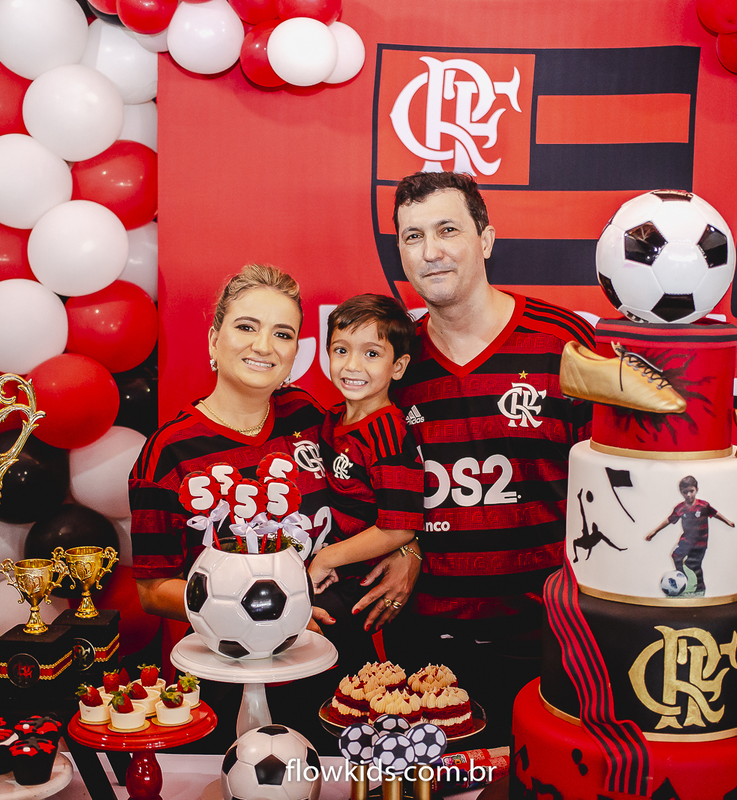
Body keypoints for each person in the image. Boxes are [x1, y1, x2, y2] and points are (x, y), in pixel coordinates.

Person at [368, 170, 601, 746]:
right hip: (426, 649)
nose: (431, 251)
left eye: (447, 230)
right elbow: (373, 494)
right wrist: (409, 545)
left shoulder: (563, 342)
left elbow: (615, 492)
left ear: (487, 240)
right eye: (413, 236)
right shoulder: (393, 362)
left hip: (550, 641)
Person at [128, 264, 333, 749]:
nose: (264, 346)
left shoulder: (310, 417)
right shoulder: (168, 452)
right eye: (246, 327)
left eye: (282, 334)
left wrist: (406, 549)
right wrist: (268, 613)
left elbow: (368, 502)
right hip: (221, 678)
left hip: (320, 668)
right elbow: (151, 589)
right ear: (213, 340)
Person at [308, 293, 424, 675]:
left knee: (357, 682)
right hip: (338, 574)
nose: (352, 365)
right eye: (341, 350)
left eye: (371, 353)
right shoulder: (331, 419)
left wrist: (325, 559)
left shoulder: (387, 432)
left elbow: (400, 527)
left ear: (398, 366)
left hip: (365, 584)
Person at [644, 475, 735, 596]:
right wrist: (655, 531)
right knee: (676, 556)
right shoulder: (680, 508)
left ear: (696, 490)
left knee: (692, 564)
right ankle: (682, 579)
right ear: (681, 492)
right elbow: (669, 520)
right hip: (686, 540)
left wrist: (728, 521)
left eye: (691, 491)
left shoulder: (703, 506)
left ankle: (700, 586)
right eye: (685, 492)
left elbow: (715, 513)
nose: (688, 495)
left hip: (700, 542)